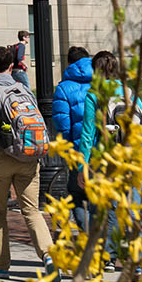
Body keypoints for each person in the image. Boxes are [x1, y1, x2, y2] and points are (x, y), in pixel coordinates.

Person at [0, 45, 54, 277]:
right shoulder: (24, 90)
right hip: (28, 157)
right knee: (31, 210)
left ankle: (0, 266)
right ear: (11, 66)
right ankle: (49, 256)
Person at [52, 47, 95, 230]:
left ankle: (88, 236)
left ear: (69, 63)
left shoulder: (63, 88)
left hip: (77, 151)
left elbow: (62, 124)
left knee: (77, 194)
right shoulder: (101, 83)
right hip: (102, 149)